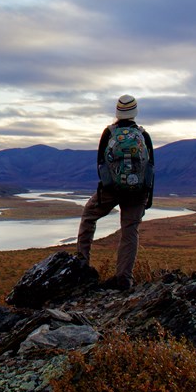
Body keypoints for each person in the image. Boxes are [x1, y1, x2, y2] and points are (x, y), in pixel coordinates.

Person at [76, 94, 154, 291]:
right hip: (137, 192)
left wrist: (107, 187)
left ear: (117, 112)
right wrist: (147, 196)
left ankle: (81, 265)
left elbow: (101, 164)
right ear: (135, 113)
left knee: (88, 217)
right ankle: (124, 279)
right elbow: (150, 167)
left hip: (112, 189)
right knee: (130, 232)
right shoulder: (143, 135)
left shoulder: (109, 133)